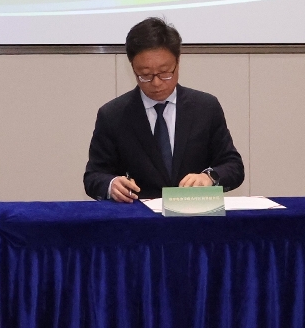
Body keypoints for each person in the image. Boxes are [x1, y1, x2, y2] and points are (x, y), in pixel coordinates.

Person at [84, 17, 244, 202]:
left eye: (165, 72)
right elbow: (94, 176)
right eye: (145, 75)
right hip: (138, 215)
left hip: (195, 213)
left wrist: (209, 177)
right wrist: (111, 184)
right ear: (133, 68)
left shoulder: (205, 108)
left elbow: (233, 166)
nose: (156, 83)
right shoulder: (113, 115)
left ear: (178, 62)